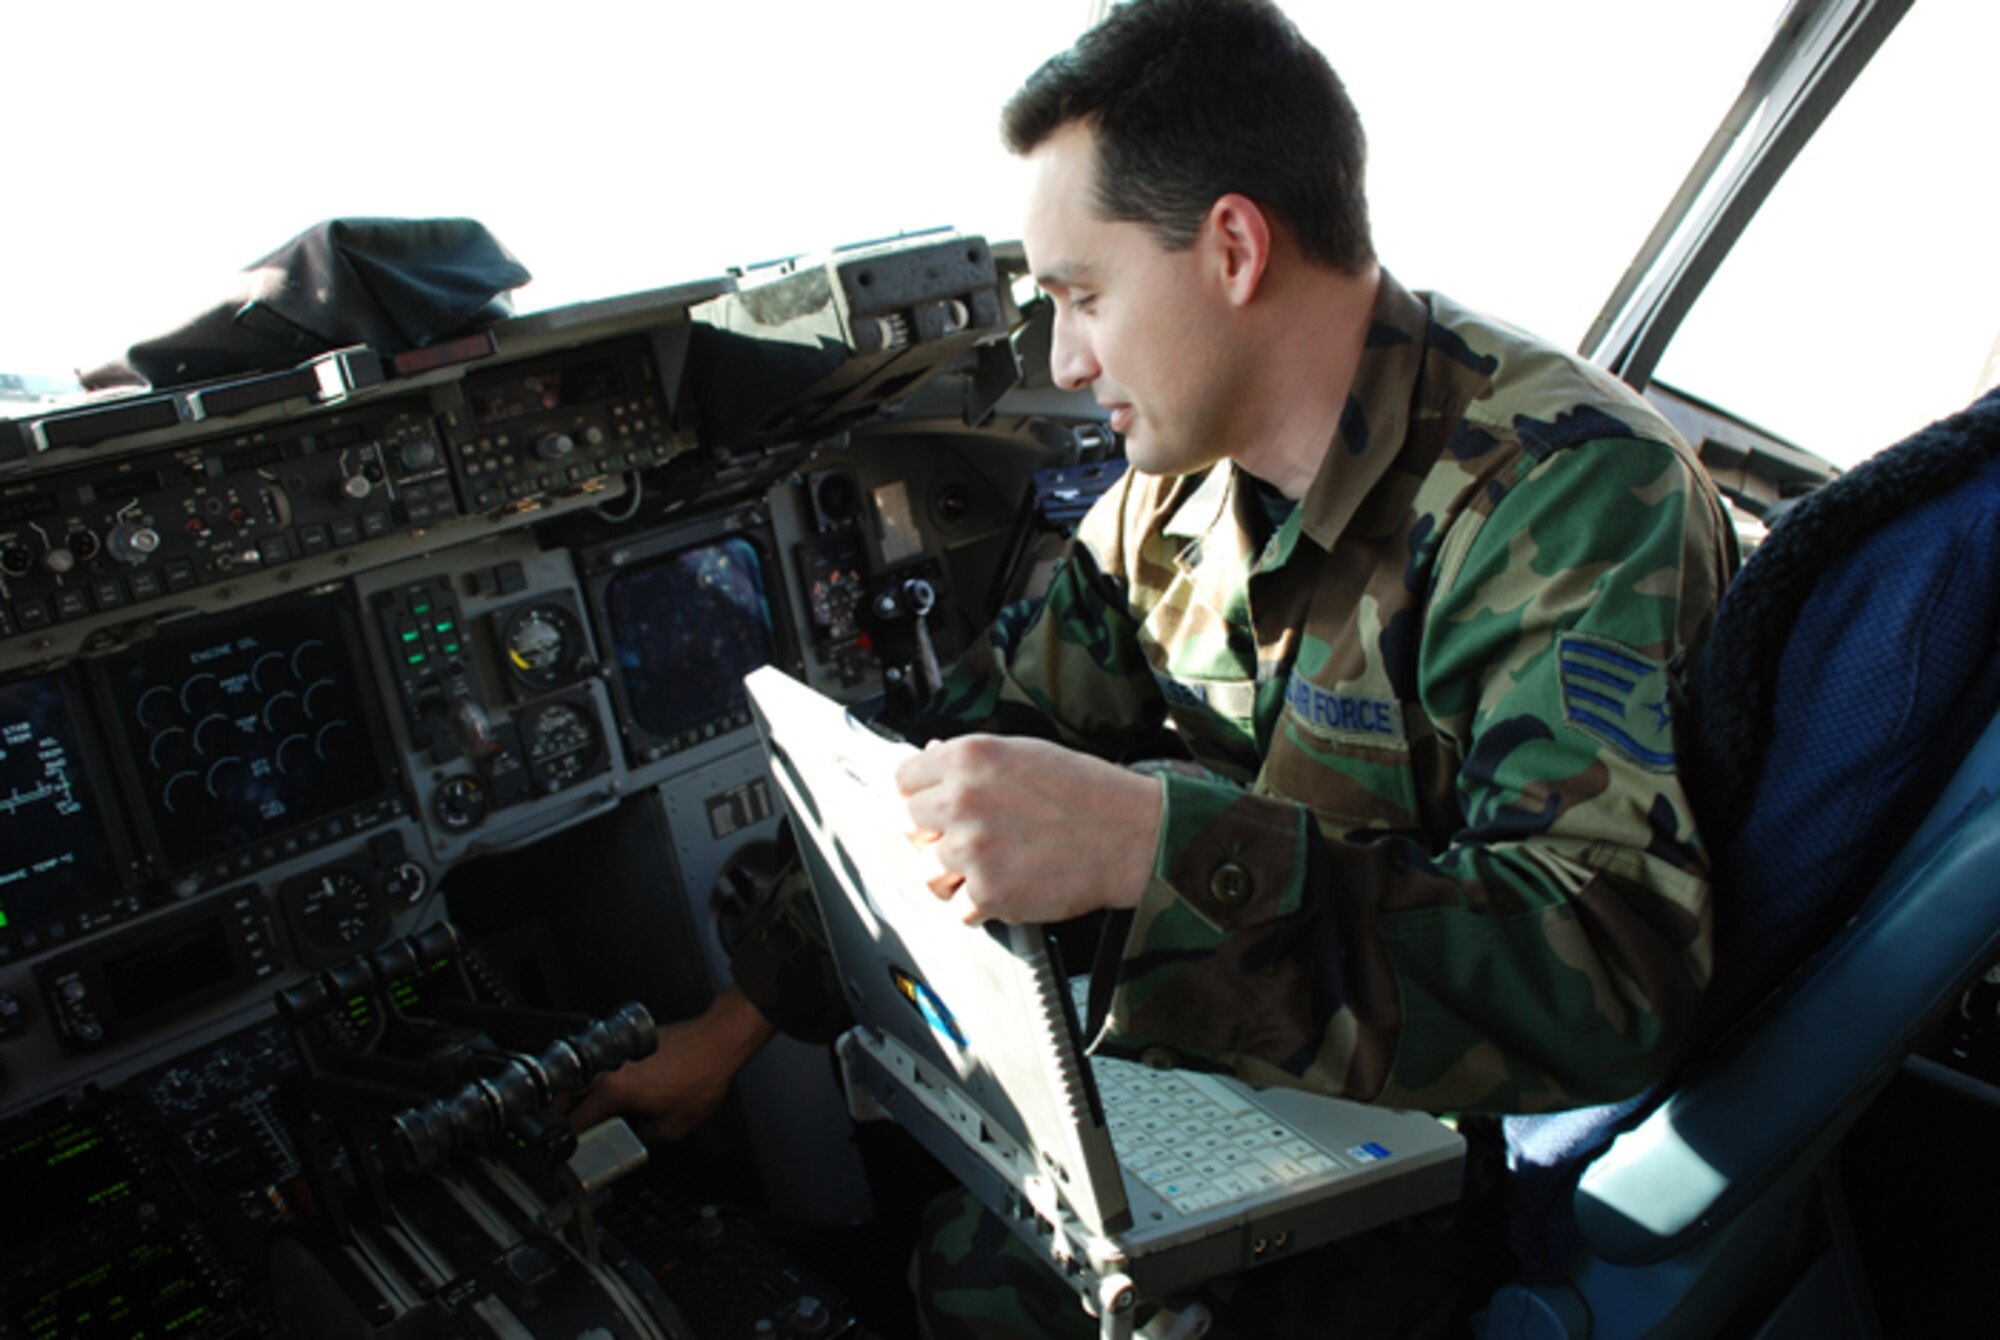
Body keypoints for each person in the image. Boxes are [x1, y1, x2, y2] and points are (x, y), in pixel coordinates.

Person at [572, 0, 1735, 1331]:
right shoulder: (1170, 502)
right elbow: (955, 754)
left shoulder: (1562, 496)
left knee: (981, 1282)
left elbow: (1613, 970)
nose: (1064, 360)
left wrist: (1151, 846)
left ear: (1233, 247)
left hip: (1451, 1150)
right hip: (1267, 1062)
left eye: (1081, 295)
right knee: (947, 1209)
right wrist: (727, 1037)